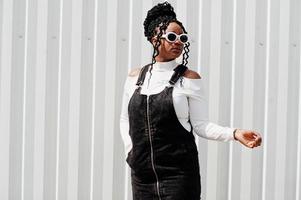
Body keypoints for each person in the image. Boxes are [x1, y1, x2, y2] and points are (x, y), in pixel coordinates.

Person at [120, 2, 262, 200]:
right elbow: (125, 120)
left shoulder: (189, 78)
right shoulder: (135, 77)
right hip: (142, 177)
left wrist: (235, 133)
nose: (178, 42)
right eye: (171, 37)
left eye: (182, 38)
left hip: (179, 176)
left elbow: (201, 125)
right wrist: (131, 152)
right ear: (154, 39)